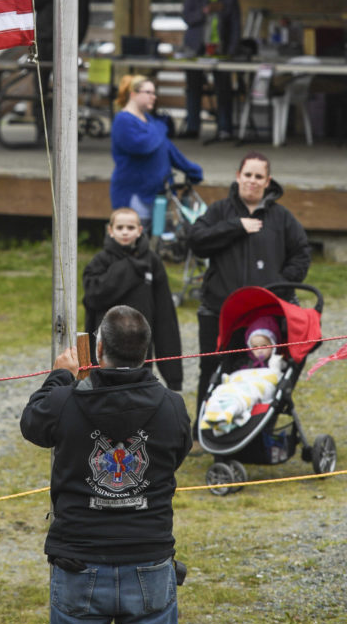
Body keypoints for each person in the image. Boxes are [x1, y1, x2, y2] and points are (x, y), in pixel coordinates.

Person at [20, 305, 191, 624]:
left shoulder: (65, 402)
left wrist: (60, 376)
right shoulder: (172, 406)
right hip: (147, 559)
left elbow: (32, 421)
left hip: (80, 561)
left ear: (98, 349)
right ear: (145, 350)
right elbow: (177, 454)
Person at [188, 151, 310, 437]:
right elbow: (196, 241)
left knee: (258, 371)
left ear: (268, 181)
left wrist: (279, 285)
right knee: (212, 369)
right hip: (219, 310)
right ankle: (203, 431)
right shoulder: (219, 211)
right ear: (238, 176)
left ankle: (252, 433)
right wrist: (236, 226)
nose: (252, 181)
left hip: (263, 315)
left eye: (258, 176)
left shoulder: (282, 217)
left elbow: (302, 254)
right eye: (248, 175)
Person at [82, 207, 183, 389]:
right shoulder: (100, 261)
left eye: (130, 227)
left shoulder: (152, 262)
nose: (125, 232)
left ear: (139, 230)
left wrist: (173, 376)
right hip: (106, 345)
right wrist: (128, 267)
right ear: (110, 230)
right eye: (120, 227)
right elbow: (92, 297)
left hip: (140, 344)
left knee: (138, 391)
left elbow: (165, 314)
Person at [110, 74, 203, 230]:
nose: (154, 97)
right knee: (136, 238)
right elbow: (143, 146)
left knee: (161, 239)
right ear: (133, 94)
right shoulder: (123, 121)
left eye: (154, 93)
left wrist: (191, 169)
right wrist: (161, 127)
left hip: (159, 194)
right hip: (134, 195)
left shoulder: (150, 120)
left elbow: (168, 149)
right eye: (148, 92)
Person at [32, 0, 90, 144]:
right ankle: (42, 129)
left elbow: (82, 11)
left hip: (66, 41)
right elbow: (32, 4)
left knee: (67, 86)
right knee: (40, 86)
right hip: (43, 39)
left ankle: (68, 129)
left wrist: (77, 40)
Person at [180, 0, 241, 143]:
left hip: (220, 47)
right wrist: (205, 10)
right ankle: (193, 127)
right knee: (193, 87)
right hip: (196, 47)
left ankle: (225, 128)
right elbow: (187, 17)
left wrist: (232, 49)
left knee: (223, 88)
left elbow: (235, 24)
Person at [200, 317, 284, 435]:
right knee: (222, 391)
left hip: (257, 387)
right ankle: (214, 411)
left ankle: (227, 413)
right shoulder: (243, 363)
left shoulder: (275, 362)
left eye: (264, 346)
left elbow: (274, 377)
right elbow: (236, 378)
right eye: (255, 347)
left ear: (273, 344)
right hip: (240, 384)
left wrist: (277, 366)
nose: (259, 351)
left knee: (242, 398)